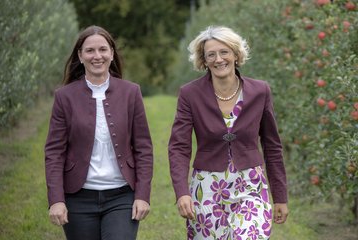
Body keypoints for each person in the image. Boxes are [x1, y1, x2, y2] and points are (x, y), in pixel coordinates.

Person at [168, 26, 288, 240]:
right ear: (204, 61)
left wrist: (280, 196)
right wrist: (182, 192)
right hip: (207, 186)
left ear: (235, 53)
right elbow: (179, 147)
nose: (218, 59)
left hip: (251, 184)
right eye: (210, 54)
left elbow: (272, 146)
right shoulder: (190, 94)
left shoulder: (260, 91)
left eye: (224, 52)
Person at [45, 25, 153, 240]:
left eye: (103, 49)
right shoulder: (64, 97)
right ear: (80, 55)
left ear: (112, 54)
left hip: (122, 196)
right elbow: (54, 153)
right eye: (90, 50)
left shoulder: (131, 92)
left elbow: (144, 149)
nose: (97, 56)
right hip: (78, 197)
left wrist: (142, 196)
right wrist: (56, 199)